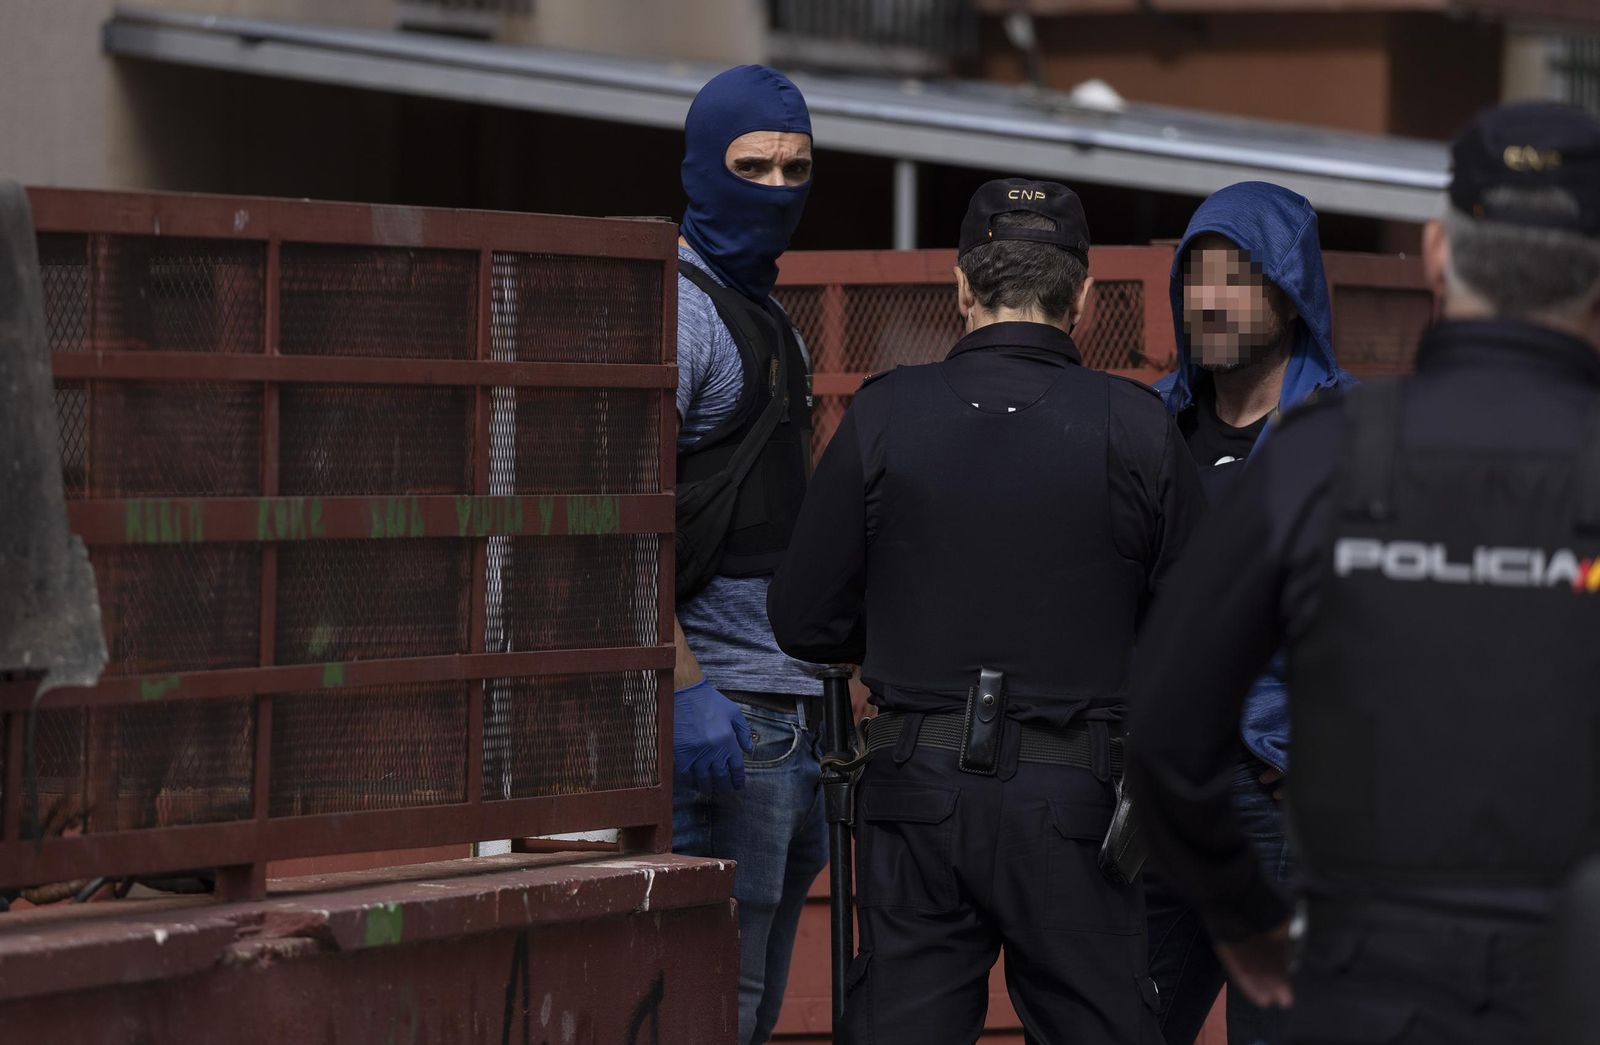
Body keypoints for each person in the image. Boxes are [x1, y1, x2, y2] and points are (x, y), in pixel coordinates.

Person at [1129, 101, 1600, 1045]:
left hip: (1358, 968)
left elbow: (1166, 727)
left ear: (1435, 253)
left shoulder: (1323, 456)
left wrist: (1247, 919)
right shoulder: (1275, 444)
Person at [769, 178, 1205, 1044]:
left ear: (961, 288)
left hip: (915, 789)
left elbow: (803, 618)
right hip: (1077, 795)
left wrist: (890, 631)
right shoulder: (1138, 423)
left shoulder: (886, 412)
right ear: (1083, 298)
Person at [1144, 182, 1351, 1045]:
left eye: (1238, 277)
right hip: (1161, 797)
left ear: (1293, 289)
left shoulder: (1344, 434)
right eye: (1197, 277)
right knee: (1126, 1022)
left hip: (1281, 800)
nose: (1210, 300)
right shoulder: (1151, 423)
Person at [670, 64, 827, 1045]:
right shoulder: (681, 314)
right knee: (710, 996)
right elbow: (616, 524)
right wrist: (686, 685)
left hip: (789, 708)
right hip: (726, 710)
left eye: (796, 169)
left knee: (754, 993)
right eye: (752, 166)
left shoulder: (767, 314)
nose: (775, 190)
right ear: (700, 167)